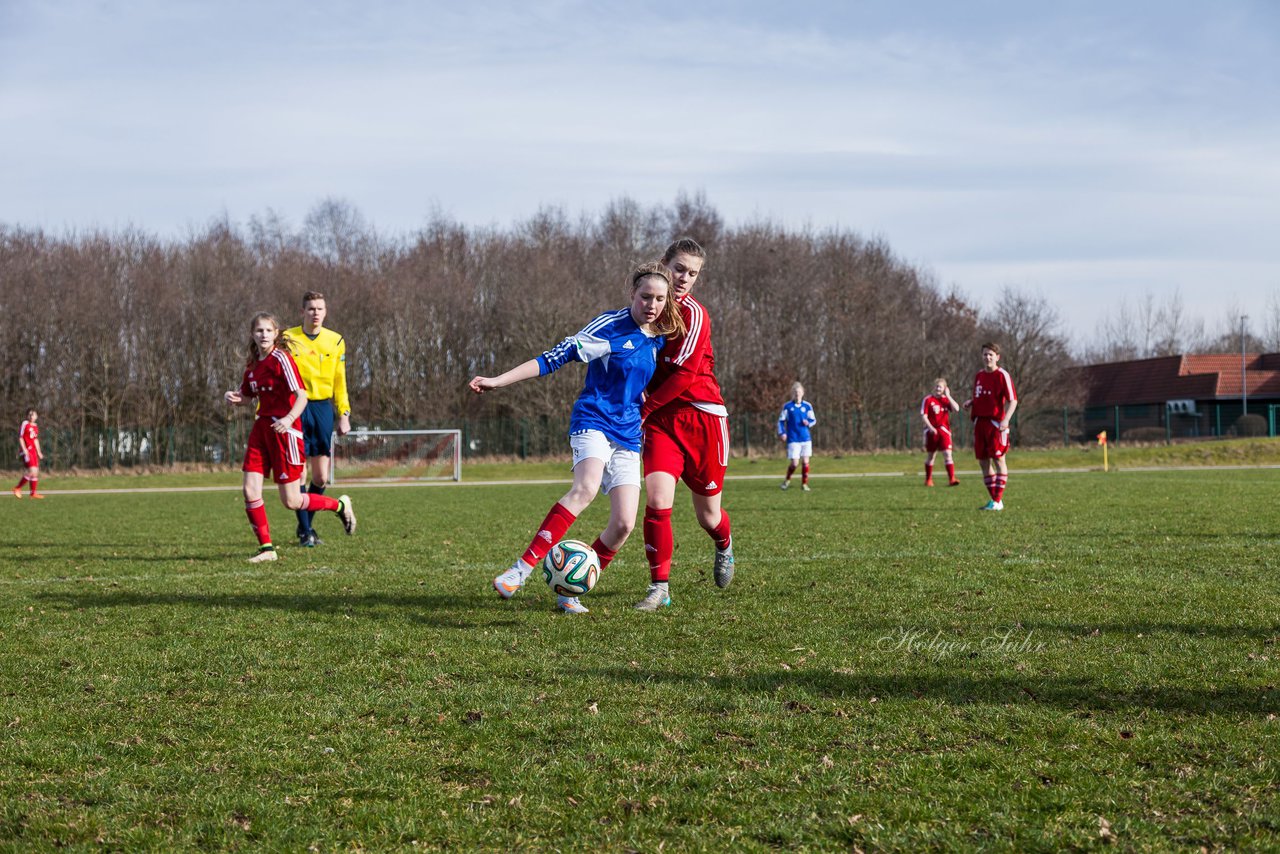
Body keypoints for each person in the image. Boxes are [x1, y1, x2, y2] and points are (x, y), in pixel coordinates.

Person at [470, 261, 684, 614]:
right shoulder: (610, 327)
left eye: (659, 298)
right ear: (632, 294)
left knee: (624, 523)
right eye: (645, 296)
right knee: (585, 488)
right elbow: (556, 356)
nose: (652, 304)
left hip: (629, 434)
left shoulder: (659, 339)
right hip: (594, 420)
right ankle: (519, 571)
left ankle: (569, 590)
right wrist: (497, 380)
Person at [635, 238, 735, 612]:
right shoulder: (645, 309)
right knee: (658, 501)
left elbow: (682, 376)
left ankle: (724, 545)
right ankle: (659, 587)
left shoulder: (693, 315)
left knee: (708, 516)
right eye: (679, 269)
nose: (684, 278)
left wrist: (643, 410)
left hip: (703, 419)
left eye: (693, 273)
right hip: (662, 422)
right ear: (664, 264)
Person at [224, 312, 356, 562]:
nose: (263, 335)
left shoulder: (281, 359)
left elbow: (302, 395)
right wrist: (234, 398)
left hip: (286, 432)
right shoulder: (252, 365)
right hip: (261, 430)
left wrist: (287, 418)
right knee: (250, 490)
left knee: (292, 501)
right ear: (252, 334)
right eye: (259, 331)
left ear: (276, 334)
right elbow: (248, 396)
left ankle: (340, 506)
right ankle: (267, 549)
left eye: (268, 331)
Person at [286, 291, 352, 547]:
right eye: (311, 308)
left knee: (321, 477)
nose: (315, 313)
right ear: (303, 311)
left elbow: (340, 381)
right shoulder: (288, 339)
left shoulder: (335, 341)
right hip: (296, 408)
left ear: (325, 312)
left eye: (320, 308)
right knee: (298, 474)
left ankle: (306, 526)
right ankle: (305, 533)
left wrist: (344, 413)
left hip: (323, 409)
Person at [962, 342, 1018, 510]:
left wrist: (1006, 419)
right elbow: (983, 396)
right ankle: (995, 500)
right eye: (985, 354)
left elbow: (1013, 400)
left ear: (997, 357)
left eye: (990, 355)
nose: (987, 357)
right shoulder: (979, 375)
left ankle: (997, 500)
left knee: (999, 458)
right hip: (980, 422)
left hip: (996, 424)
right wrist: (972, 402)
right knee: (983, 462)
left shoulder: (1002, 375)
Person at [920, 378, 961, 487]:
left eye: (941, 387)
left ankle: (952, 479)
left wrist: (948, 396)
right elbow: (924, 416)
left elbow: (957, 409)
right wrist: (931, 428)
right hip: (932, 432)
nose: (938, 389)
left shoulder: (946, 400)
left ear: (945, 389)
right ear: (934, 387)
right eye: (937, 386)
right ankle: (928, 480)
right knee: (931, 456)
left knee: (948, 455)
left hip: (944, 432)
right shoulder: (928, 400)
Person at [778, 382, 817, 491]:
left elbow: (813, 420)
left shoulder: (807, 406)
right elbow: (781, 421)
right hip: (793, 438)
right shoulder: (787, 406)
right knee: (795, 463)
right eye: (795, 392)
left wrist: (808, 423)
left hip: (805, 438)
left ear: (803, 393)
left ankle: (804, 484)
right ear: (792, 394)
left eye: (799, 392)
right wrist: (782, 433)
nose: (797, 394)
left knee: (805, 462)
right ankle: (787, 480)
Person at [13, 409, 44, 499]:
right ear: (27, 416)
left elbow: (35, 440)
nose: (31, 416)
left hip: (33, 451)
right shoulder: (25, 424)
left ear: (36, 416)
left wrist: (39, 452)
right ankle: (17, 488)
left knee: (35, 472)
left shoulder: (35, 427)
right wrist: (24, 449)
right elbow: (21, 437)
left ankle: (33, 493)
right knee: (32, 471)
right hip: (27, 451)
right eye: (29, 414)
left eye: (33, 414)